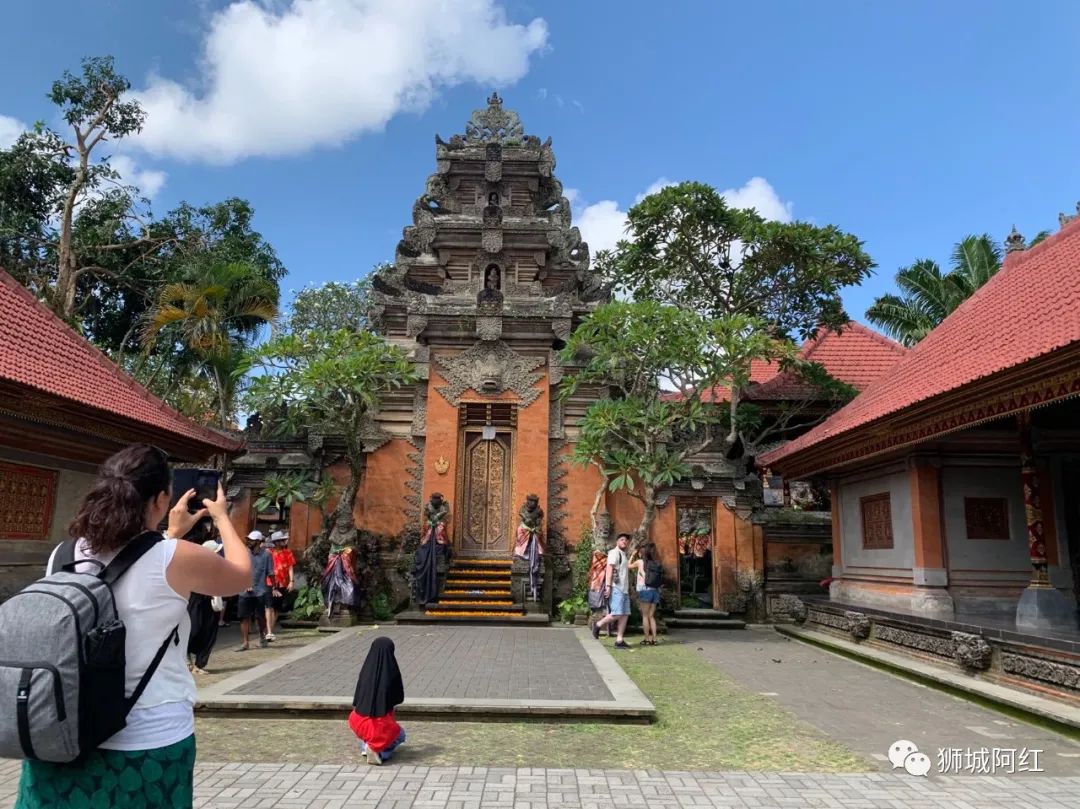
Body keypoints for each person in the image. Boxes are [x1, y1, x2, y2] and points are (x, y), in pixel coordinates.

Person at [16, 444, 251, 809]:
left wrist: (169, 535)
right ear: (160, 499)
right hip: (148, 740)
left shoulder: (62, 554)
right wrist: (220, 517)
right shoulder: (175, 558)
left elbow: (131, 573)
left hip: (62, 734)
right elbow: (241, 575)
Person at [348, 637, 406, 766]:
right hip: (377, 725)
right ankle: (378, 752)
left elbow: (356, 699)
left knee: (369, 729)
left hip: (356, 720)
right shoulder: (391, 673)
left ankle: (366, 746)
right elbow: (397, 698)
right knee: (400, 734)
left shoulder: (366, 670)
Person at [186, 530, 224, 674]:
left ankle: (199, 665)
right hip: (196, 600)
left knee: (209, 632)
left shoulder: (218, 566)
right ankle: (185, 658)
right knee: (193, 629)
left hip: (211, 601)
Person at [591, 533, 632, 648]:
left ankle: (619, 640)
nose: (624, 542)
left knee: (625, 614)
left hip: (624, 589)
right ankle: (598, 624)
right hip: (616, 588)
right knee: (617, 613)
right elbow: (609, 570)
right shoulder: (614, 553)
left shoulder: (623, 554)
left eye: (626, 540)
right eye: (622, 539)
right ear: (617, 542)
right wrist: (608, 586)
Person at [237, 530, 273, 651]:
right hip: (244, 590)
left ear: (258, 542)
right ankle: (245, 642)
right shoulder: (244, 553)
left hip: (260, 590)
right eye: (248, 540)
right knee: (244, 617)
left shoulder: (267, 554)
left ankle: (262, 635)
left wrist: (273, 587)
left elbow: (270, 572)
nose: (249, 542)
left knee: (260, 617)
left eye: (251, 540)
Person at [265, 530, 295, 642]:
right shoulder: (269, 552)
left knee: (277, 608)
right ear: (277, 542)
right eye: (283, 540)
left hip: (282, 583)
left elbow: (291, 567)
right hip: (269, 582)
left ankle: (270, 630)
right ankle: (268, 631)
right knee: (269, 606)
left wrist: (292, 581)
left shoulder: (288, 552)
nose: (285, 541)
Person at [633, 543, 661, 646]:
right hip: (655, 591)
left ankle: (647, 639)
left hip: (645, 591)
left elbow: (628, 566)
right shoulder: (656, 562)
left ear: (642, 553)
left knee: (645, 616)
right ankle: (654, 639)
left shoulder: (640, 562)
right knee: (651, 616)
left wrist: (632, 555)